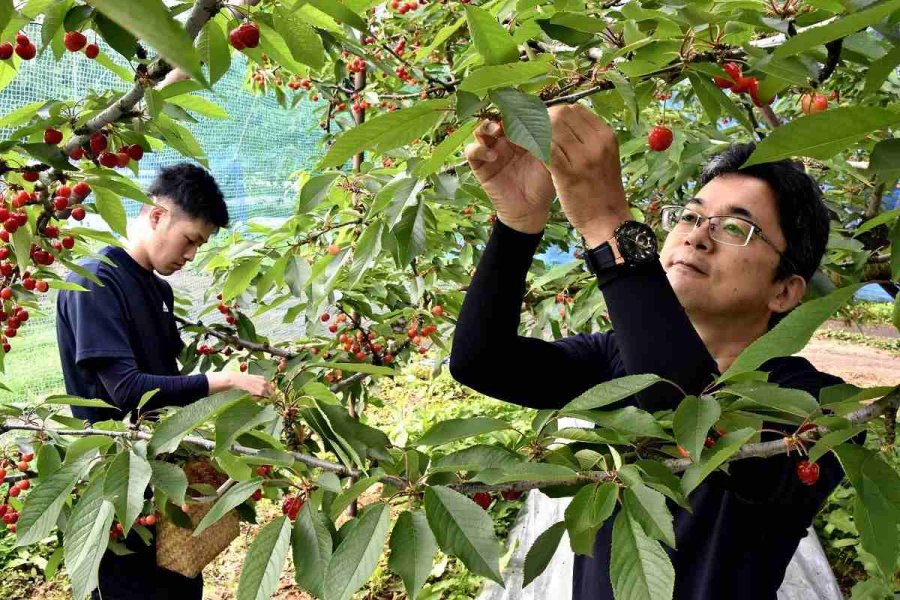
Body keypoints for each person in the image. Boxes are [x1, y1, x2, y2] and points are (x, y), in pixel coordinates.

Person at [449, 104, 856, 599]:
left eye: (735, 227)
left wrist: (609, 226)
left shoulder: (819, 408)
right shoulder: (615, 361)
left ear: (786, 291)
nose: (697, 235)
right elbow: (481, 360)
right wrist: (516, 226)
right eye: (690, 215)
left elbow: (692, 415)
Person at [56, 162, 274, 600]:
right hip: (118, 485)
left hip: (163, 479)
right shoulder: (95, 279)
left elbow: (166, 382)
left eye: (201, 244)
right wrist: (223, 381)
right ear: (156, 216)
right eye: (190, 239)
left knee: (180, 583)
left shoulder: (158, 290)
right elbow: (128, 389)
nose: (191, 254)